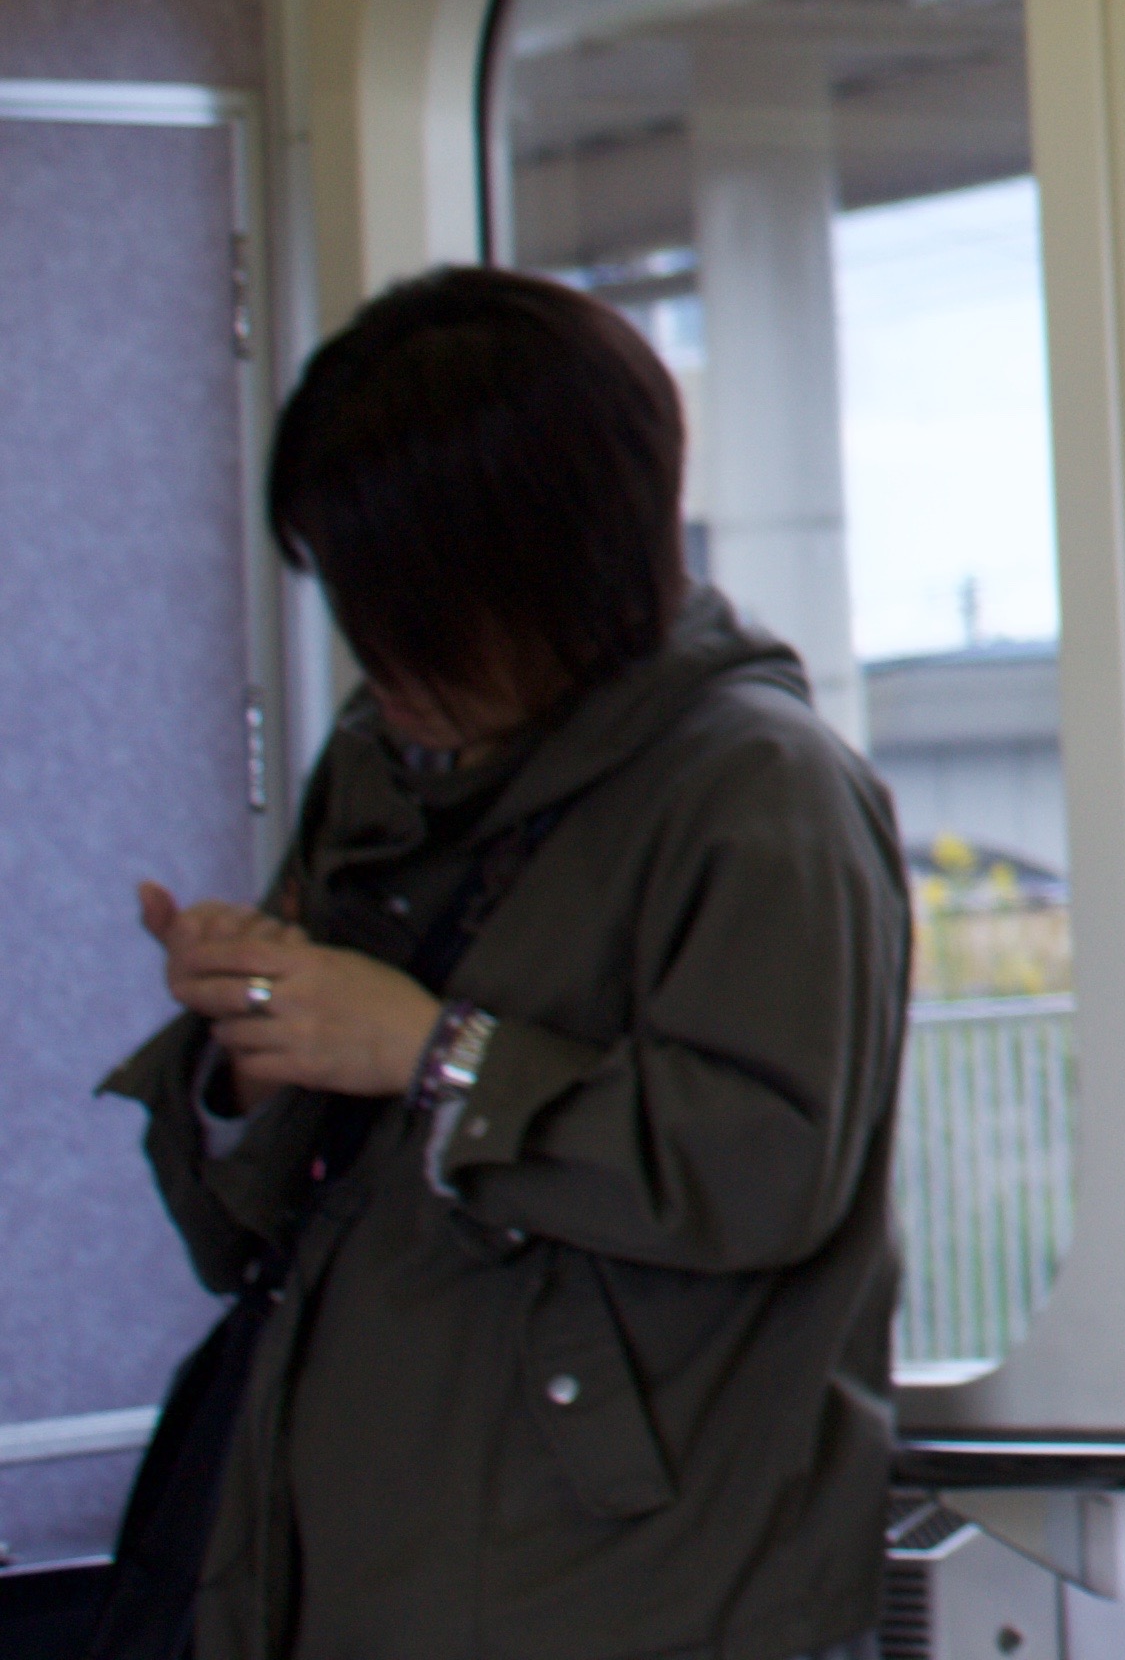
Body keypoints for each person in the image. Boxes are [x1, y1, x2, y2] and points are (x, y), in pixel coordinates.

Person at [101, 266, 906, 1660]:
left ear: (553, 568)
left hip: (632, 1603)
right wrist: (253, 1037)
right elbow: (252, 1229)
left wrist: (432, 1053)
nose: (379, 654)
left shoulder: (760, 789)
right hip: (335, 1571)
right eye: (356, 598)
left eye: (418, 605)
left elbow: (768, 1173)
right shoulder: (381, 758)